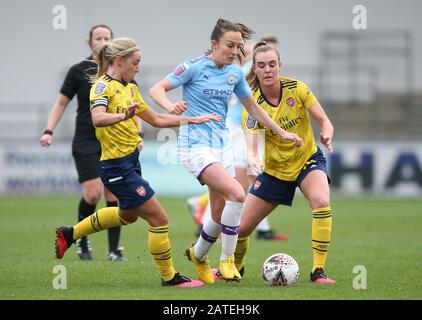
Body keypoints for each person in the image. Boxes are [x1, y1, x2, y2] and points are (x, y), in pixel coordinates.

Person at [54, 37, 220, 287]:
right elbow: (97, 119)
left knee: (127, 216)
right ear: (119, 60)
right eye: (136, 62)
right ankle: (170, 277)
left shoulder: (130, 87)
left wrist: (192, 120)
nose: (139, 68)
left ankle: (71, 233)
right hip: (116, 166)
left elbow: (156, 120)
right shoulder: (101, 87)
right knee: (160, 219)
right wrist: (123, 115)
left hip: (131, 163)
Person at [149, 18, 302, 283]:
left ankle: (197, 254)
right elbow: (156, 89)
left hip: (223, 147)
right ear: (214, 43)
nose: (234, 51)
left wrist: (282, 132)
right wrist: (169, 105)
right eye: (229, 45)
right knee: (236, 193)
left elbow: (254, 109)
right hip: (194, 147)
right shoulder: (193, 67)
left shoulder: (234, 73)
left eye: (238, 46)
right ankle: (227, 260)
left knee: (219, 214)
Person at [234, 41, 336, 283]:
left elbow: (325, 120)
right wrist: (252, 158)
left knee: (321, 201)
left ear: (280, 66)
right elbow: (250, 141)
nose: (268, 69)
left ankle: (318, 270)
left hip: (306, 160)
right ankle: (235, 267)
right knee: (241, 230)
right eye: (262, 65)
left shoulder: (297, 88)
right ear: (255, 69)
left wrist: (327, 133)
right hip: (274, 171)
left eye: (272, 64)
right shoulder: (252, 103)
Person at [40, 25, 131, 261]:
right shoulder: (78, 71)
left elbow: (133, 104)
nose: (102, 41)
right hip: (86, 140)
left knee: (114, 196)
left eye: (107, 37)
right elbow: (61, 103)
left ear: (114, 41)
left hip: (113, 139)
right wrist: (49, 130)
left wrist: (137, 135)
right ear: (89, 42)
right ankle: (80, 240)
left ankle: (113, 250)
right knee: (92, 194)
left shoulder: (120, 69)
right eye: (97, 38)